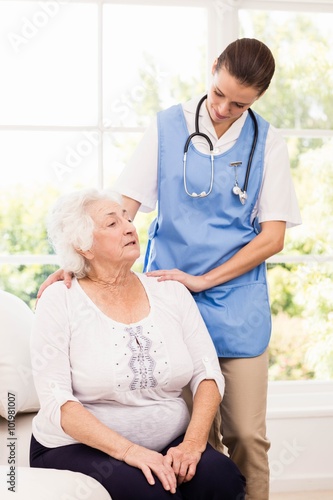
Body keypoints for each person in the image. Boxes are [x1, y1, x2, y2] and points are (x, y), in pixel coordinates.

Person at [37, 38, 302, 499]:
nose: (222, 109)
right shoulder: (166, 128)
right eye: (218, 93)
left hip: (233, 304)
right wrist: (79, 263)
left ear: (259, 98)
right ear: (213, 68)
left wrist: (202, 280)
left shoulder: (268, 143)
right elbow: (121, 208)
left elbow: (273, 236)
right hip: (163, 297)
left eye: (239, 104)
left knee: (245, 436)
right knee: (191, 439)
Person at [30, 188, 246, 500]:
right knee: (153, 492)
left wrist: (193, 444)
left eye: (128, 219)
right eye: (112, 224)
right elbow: (57, 403)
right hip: (77, 447)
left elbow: (208, 373)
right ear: (83, 246)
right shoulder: (59, 300)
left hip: (171, 439)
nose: (130, 227)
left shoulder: (170, 292)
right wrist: (131, 451)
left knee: (221, 478)